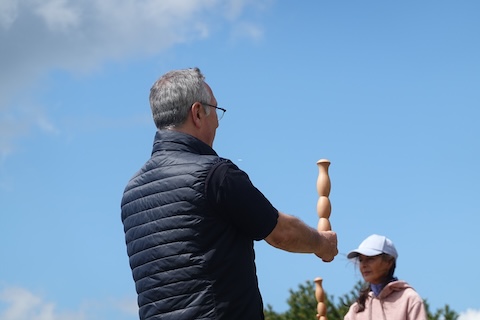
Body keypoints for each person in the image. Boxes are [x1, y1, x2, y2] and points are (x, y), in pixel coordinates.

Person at [120, 67, 338, 320]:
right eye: (215, 111)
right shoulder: (215, 175)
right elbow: (282, 233)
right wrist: (322, 244)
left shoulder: (132, 192)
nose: (217, 124)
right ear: (198, 113)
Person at [344, 234, 427, 320]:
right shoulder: (356, 309)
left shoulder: (409, 299)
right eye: (361, 260)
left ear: (389, 262)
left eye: (370, 259)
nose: (364, 265)